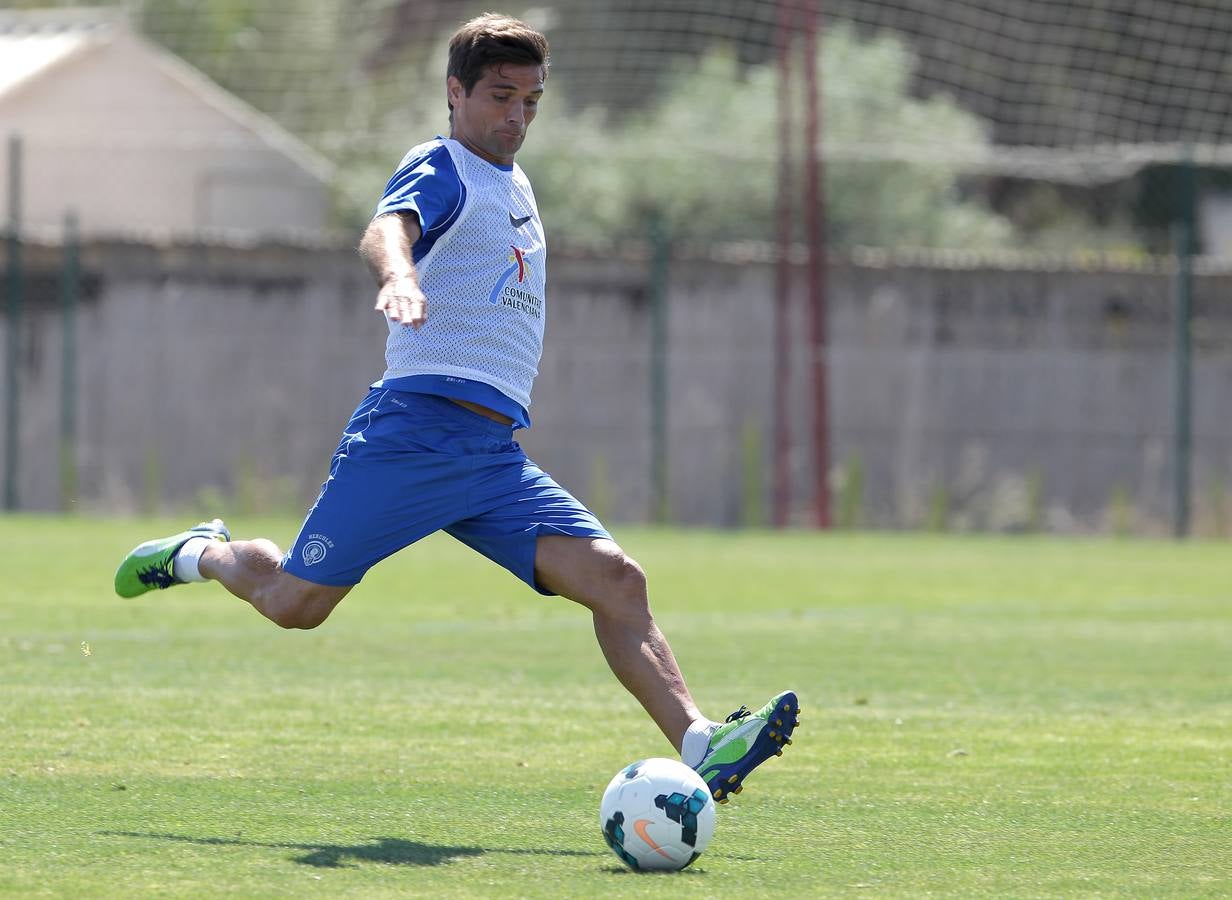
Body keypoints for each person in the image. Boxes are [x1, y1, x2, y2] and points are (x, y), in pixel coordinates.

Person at [113, 12, 797, 803]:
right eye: (501, 96)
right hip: (412, 437)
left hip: (491, 458)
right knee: (293, 607)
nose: (516, 116)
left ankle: (702, 743)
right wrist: (398, 277)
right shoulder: (442, 165)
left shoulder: (516, 183)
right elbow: (387, 226)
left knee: (617, 580)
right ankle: (203, 552)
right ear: (454, 91)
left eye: (532, 101)